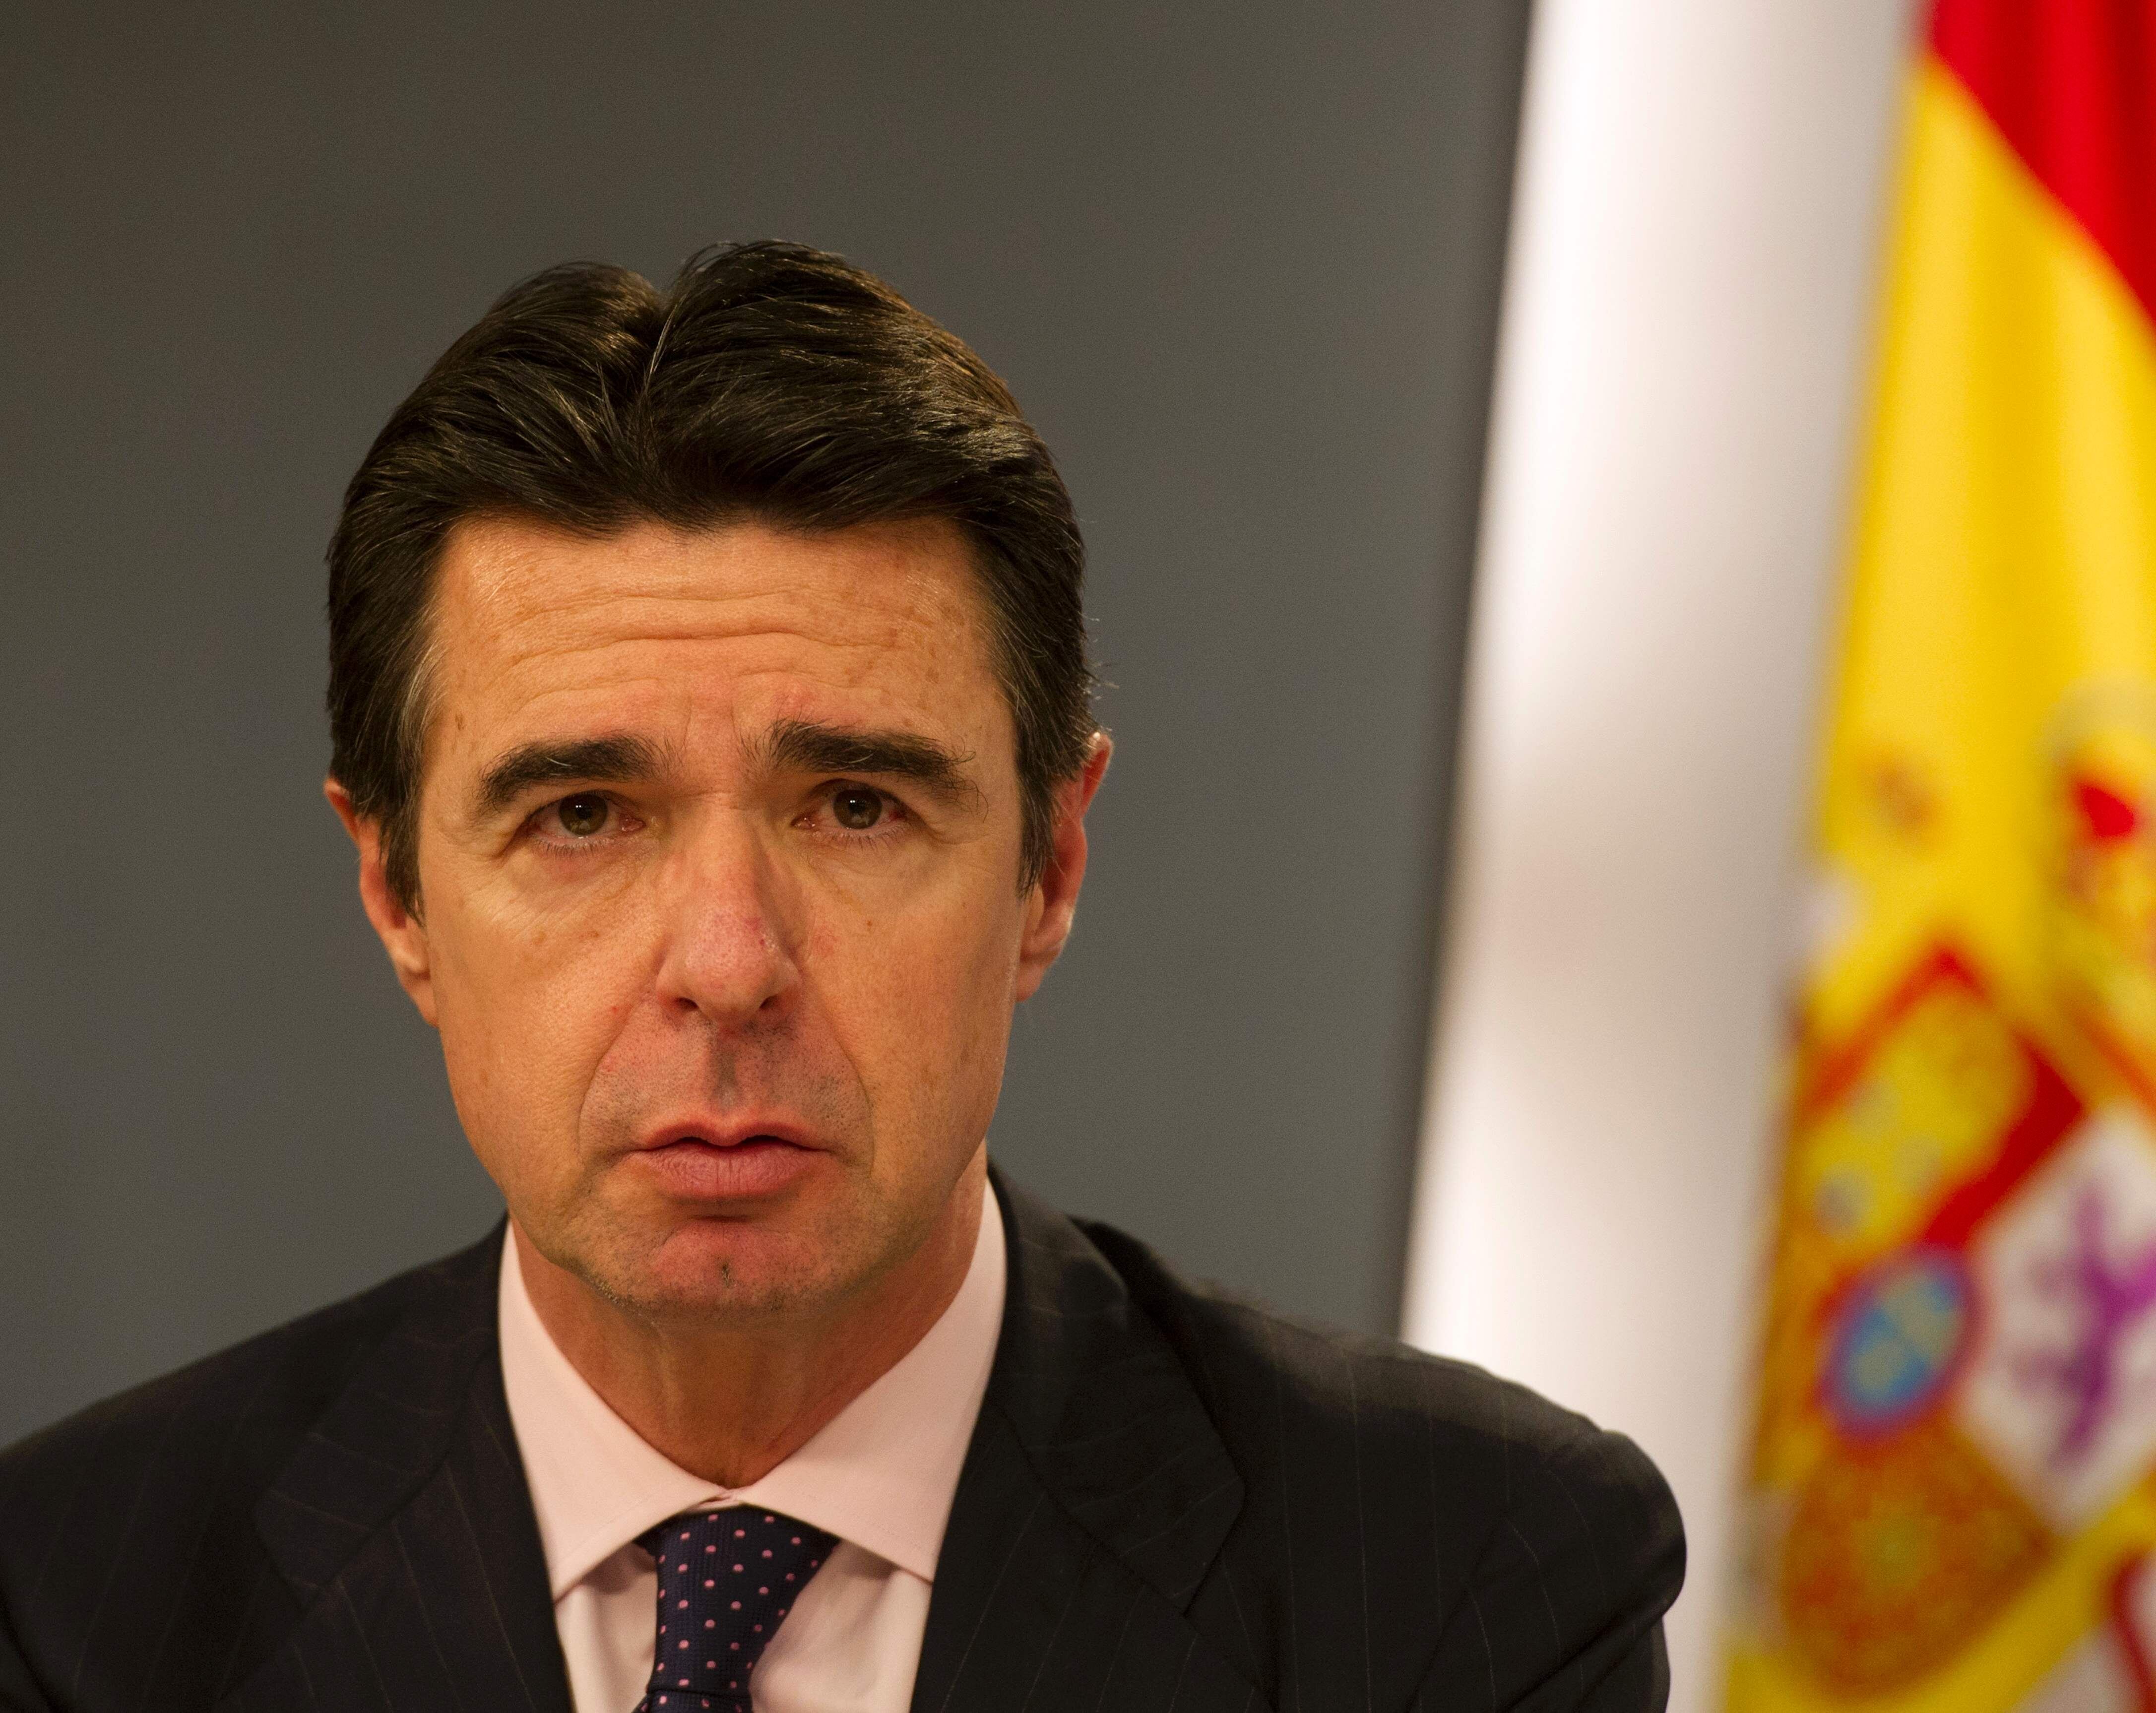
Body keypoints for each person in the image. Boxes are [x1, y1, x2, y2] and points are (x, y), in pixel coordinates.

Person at [0, 242, 1683, 1713]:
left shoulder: (1470, 1578)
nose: (729, 966)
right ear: (397, 896)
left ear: (1049, 869)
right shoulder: (77, 1604)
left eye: (858, 807)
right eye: (581, 816)